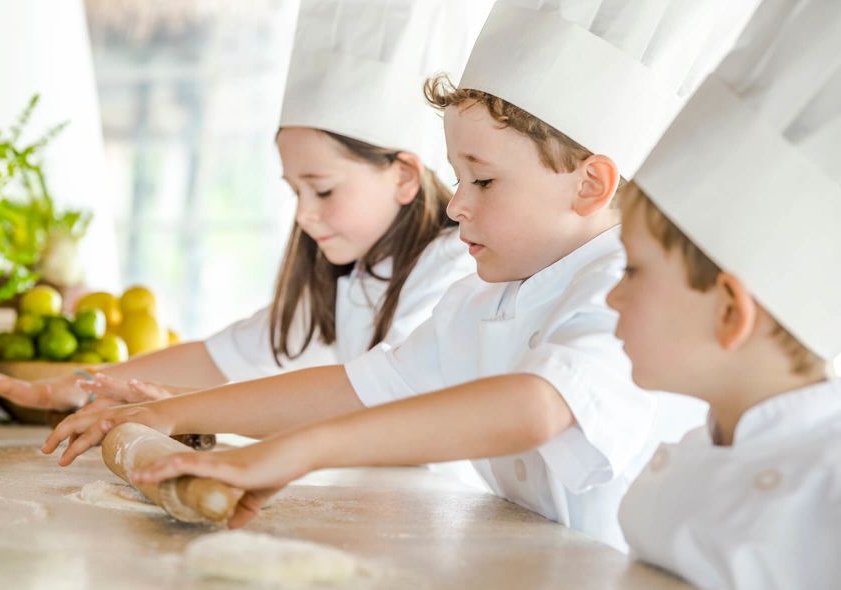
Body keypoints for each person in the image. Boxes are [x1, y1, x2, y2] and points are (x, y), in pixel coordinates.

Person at [45, 0, 760, 551]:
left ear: (590, 184)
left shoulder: (622, 287)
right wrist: (171, 411)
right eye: (460, 176)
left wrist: (294, 453)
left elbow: (539, 405)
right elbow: (361, 385)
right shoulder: (483, 294)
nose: (461, 204)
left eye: (482, 179)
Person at [0, 0, 486, 414]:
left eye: (322, 190)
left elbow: (374, 393)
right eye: (294, 192)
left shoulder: (453, 265)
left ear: (402, 176)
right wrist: (79, 384)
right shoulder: (350, 274)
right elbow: (220, 357)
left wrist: (186, 408)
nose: (303, 216)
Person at [607, 1, 841, 586]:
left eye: (633, 271)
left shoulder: (828, 492)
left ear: (731, 311)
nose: (613, 297)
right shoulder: (698, 447)